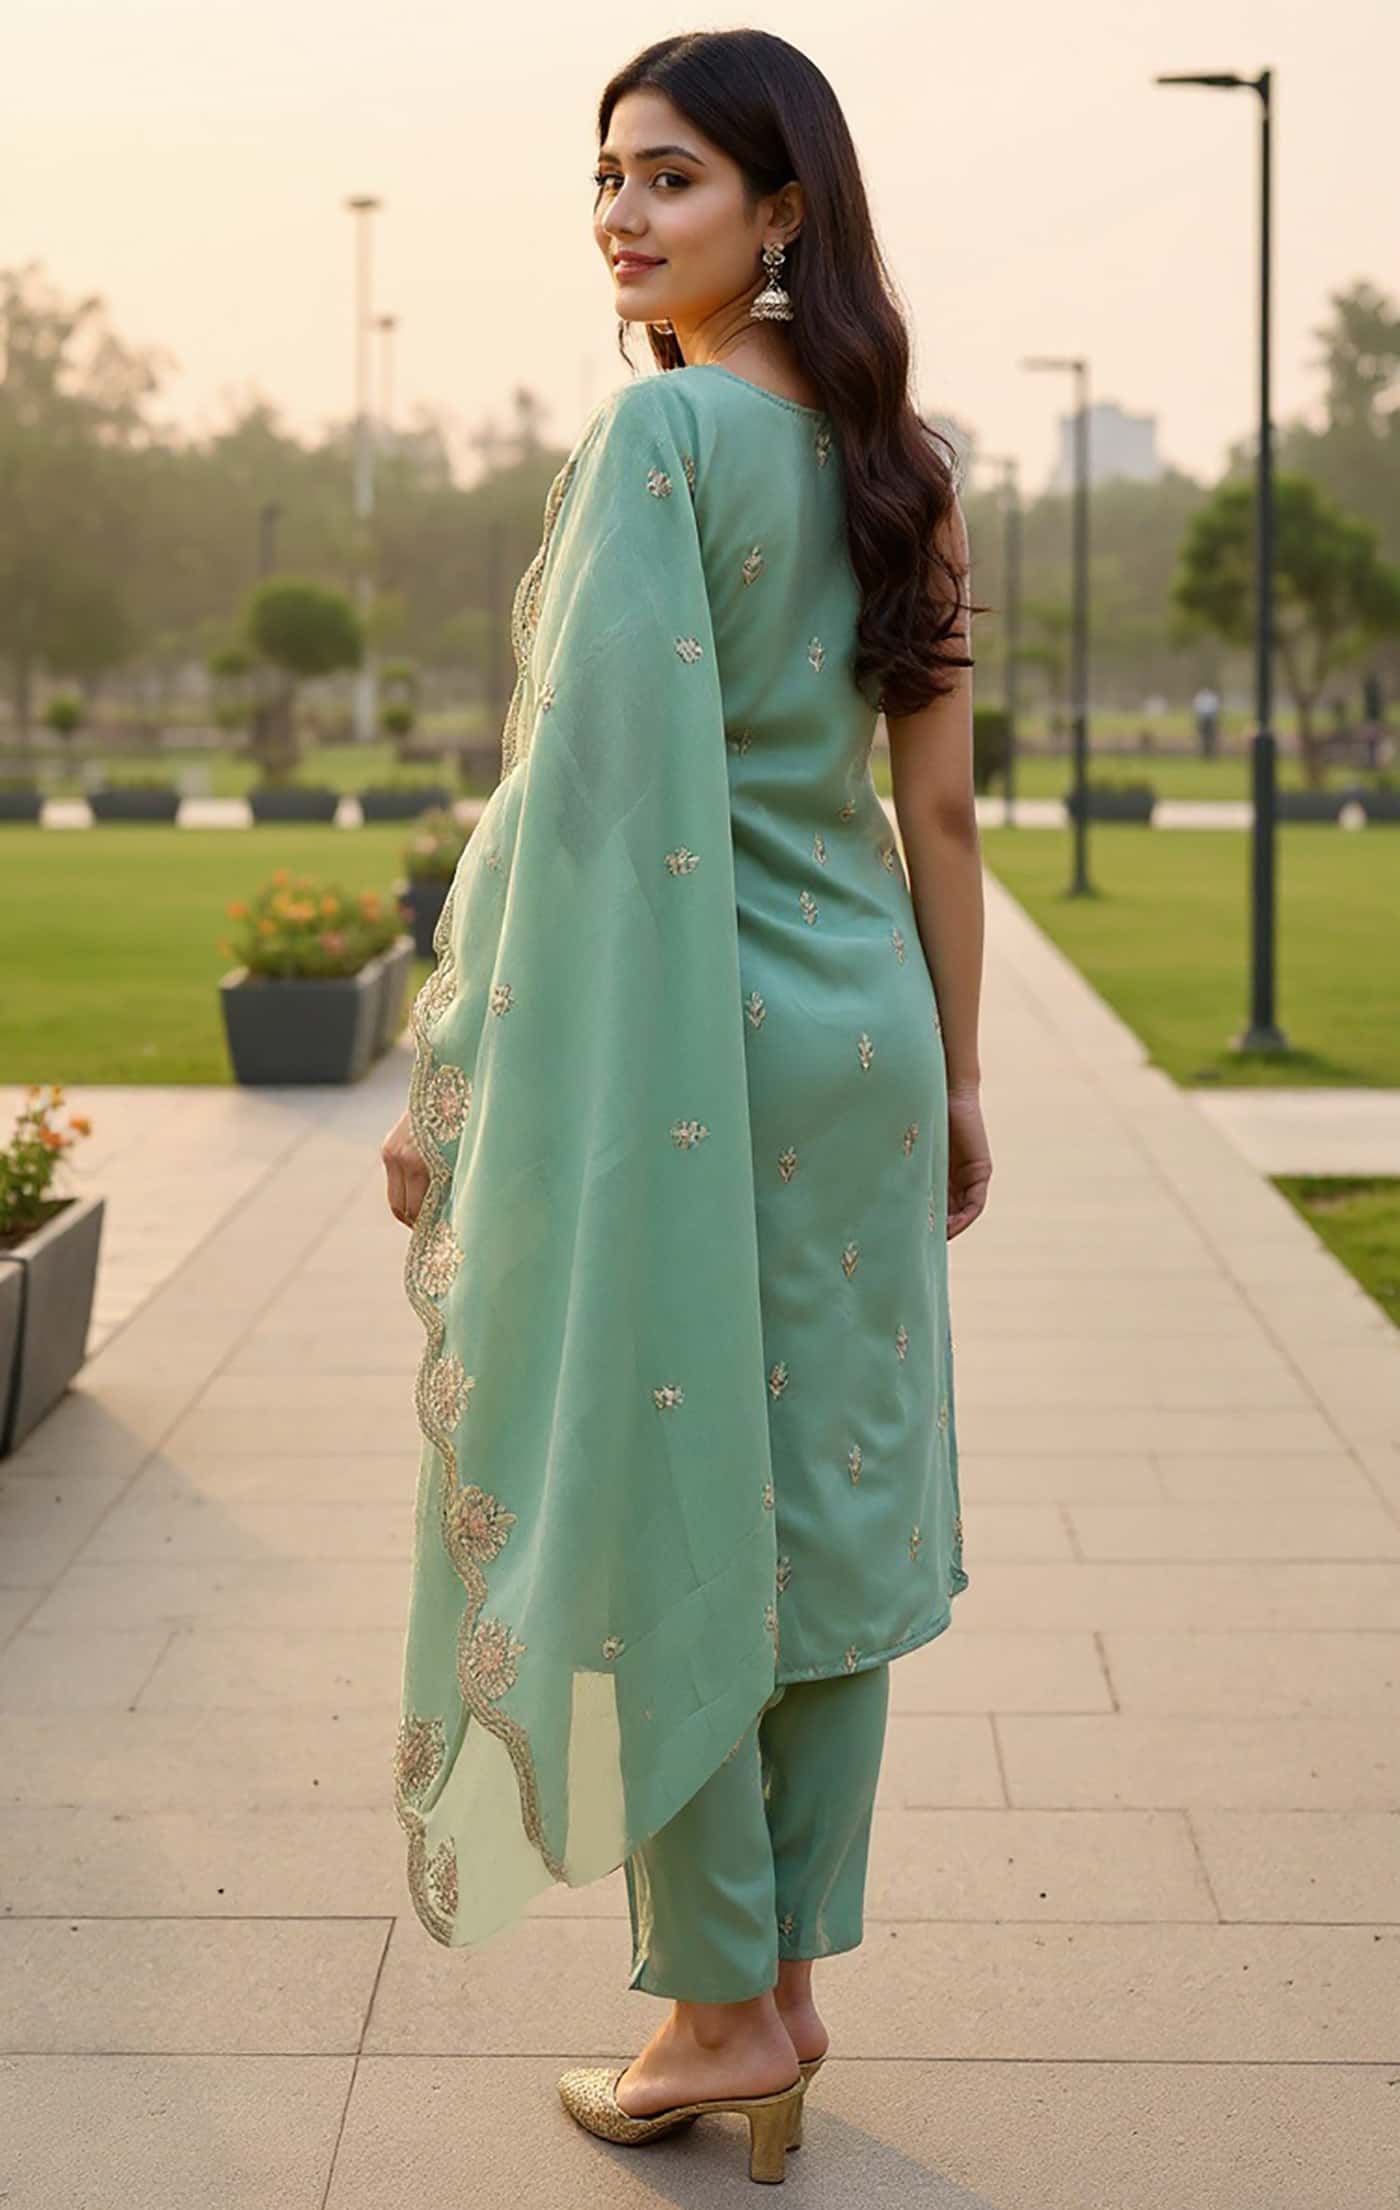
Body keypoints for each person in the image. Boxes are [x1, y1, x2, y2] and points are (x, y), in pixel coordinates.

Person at [379, 27, 992, 2184]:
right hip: (861, 1040)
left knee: (674, 1499)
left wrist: (452, 1057)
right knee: (819, 1495)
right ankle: (784, 1969)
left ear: (781, 210)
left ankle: (720, 2006)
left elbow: (577, 802)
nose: (627, 217)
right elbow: (940, 812)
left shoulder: (662, 436)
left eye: (673, 181)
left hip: (690, 1054)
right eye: (610, 180)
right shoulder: (897, 455)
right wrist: (963, 1070)